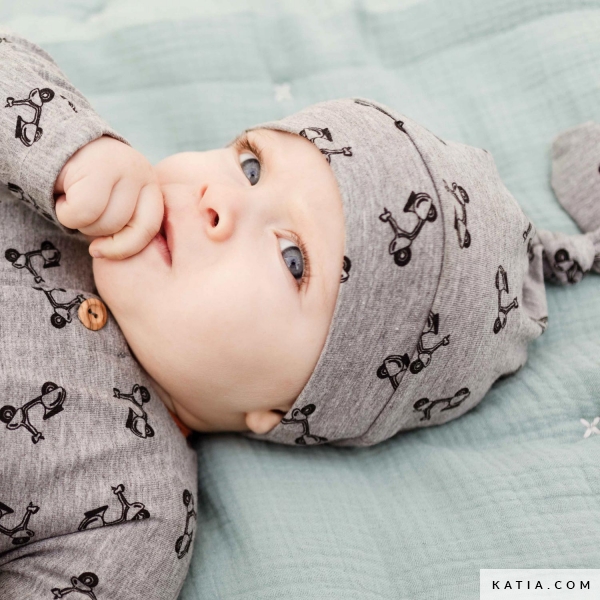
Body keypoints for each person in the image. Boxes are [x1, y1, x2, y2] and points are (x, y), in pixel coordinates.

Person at [1, 26, 599, 598]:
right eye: (251, 166)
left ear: (285, 409)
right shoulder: (63, 181)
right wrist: (70, 148)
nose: (220, 202)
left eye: (292, 259)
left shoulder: (134, 517)